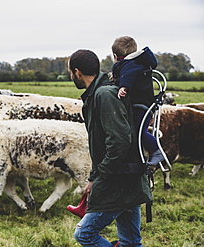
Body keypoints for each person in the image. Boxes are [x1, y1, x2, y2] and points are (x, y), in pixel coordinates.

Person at [68, 49, 152, 247]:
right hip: (127, 179)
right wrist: (92, 176)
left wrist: (101, 176)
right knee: (130, 242)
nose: (71, 76)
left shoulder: (104, 95)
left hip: (118, 182)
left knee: (84, 235)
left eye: (71, 72)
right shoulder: (100, 93)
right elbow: (101, 145)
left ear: (77, 72)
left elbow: (120, 141)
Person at [111, 36, 164, 166]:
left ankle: (157, 151)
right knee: (138, 129)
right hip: (143, 104)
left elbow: (128, 75)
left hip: (141, 106)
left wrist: (123, 87)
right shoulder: (135, 63)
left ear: (115, 55)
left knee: (139, 131)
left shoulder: (129, 64)